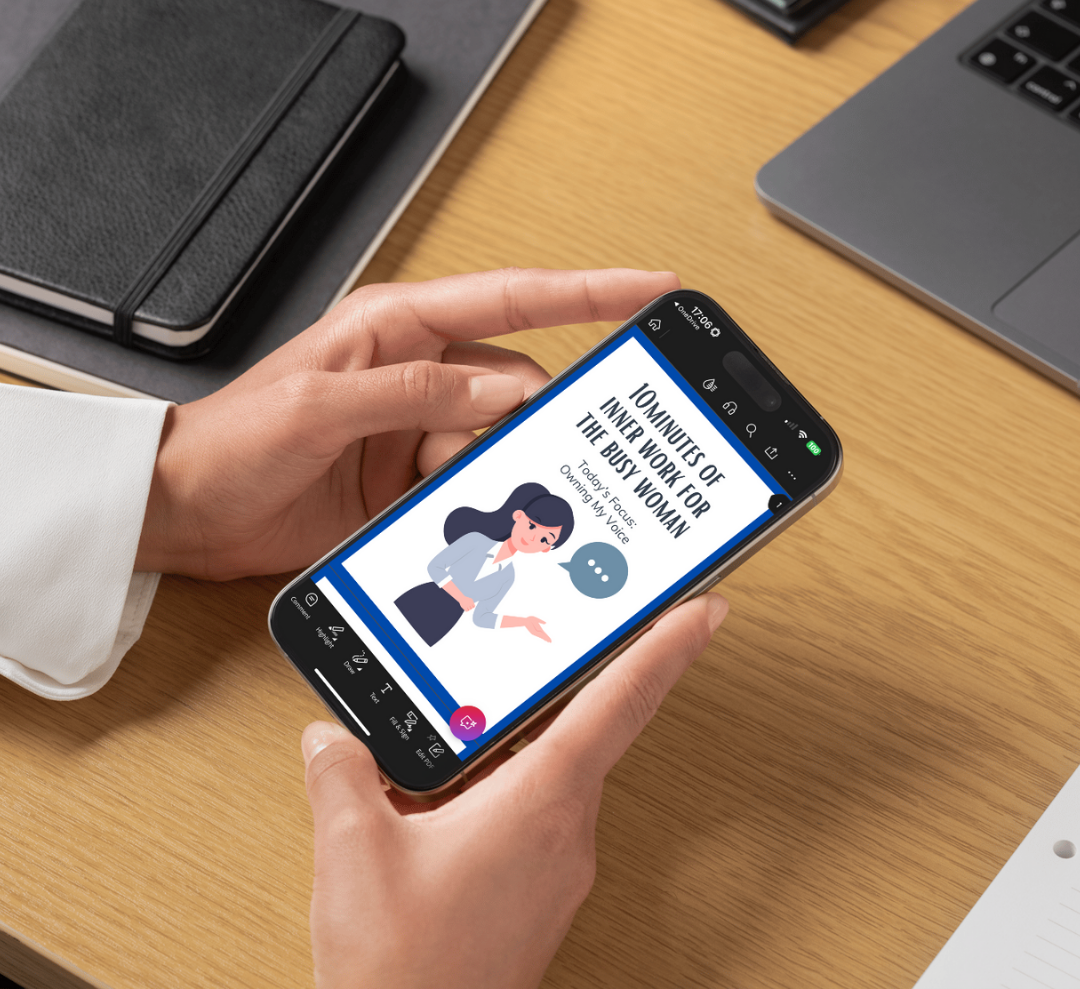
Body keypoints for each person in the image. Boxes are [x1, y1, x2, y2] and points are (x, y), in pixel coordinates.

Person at [0, 266, 728, 988]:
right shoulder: (478, 545)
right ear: (520, 518)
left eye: (547, 540)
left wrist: (172, 492)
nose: (539, 541)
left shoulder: (504, 569)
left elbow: (484, 604)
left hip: (436, 629)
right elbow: (449, 573)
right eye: (539, 531)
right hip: (421, 606)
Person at [394, 481, 575, 645]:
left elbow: (481, 617)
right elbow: (435, 567)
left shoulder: (508, 577)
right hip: (422, 600)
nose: (533, 537)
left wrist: (524, 622)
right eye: (532, 526)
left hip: (444, 622)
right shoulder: (475, 540)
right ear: (518, 516)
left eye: (545, 540)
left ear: (546, 549)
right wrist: (460, 597)